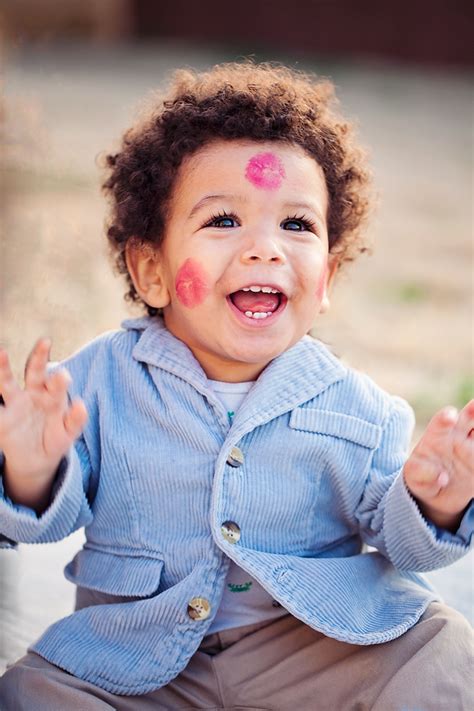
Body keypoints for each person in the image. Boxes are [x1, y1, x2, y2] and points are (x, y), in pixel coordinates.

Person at [0, 61, 472, 710]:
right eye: (224, 220)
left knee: (441, 646)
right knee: (28, 690)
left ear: (327, 277)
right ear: (150, 270)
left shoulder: (358, 406)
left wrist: (433, 501)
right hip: (135, 661)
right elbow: (44, 515)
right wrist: (28, 468)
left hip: (310, 649)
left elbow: (402, 542)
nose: (265, 249)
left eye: (297, 225)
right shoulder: (94, 384)